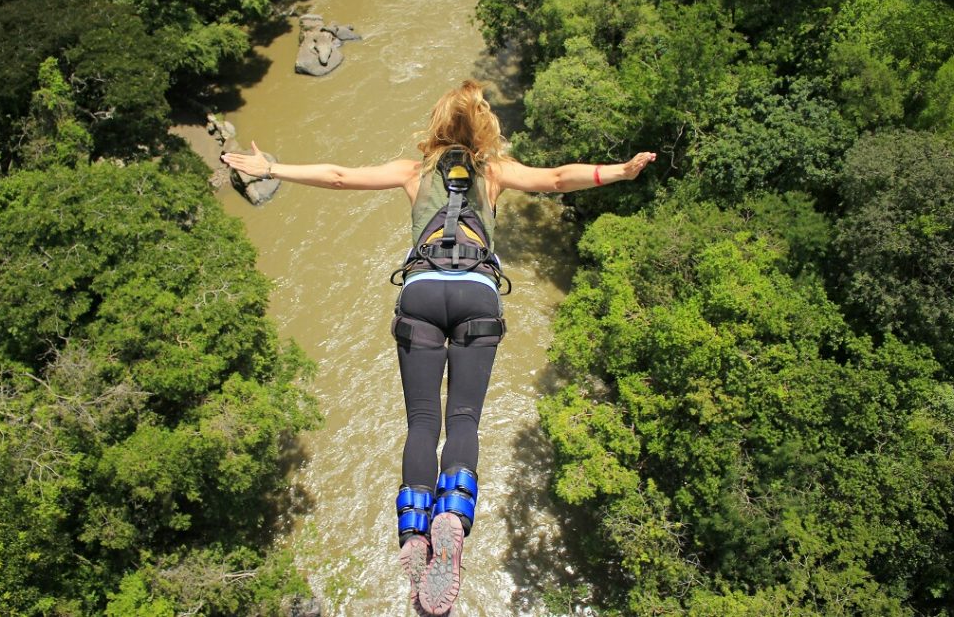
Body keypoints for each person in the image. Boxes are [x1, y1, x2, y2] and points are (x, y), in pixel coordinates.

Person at [221, 80, 654, 615]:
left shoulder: (412, 171)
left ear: (436, 126)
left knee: (422, 421)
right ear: (483, 129)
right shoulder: (495, 171)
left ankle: (413, 534)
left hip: (422, 290)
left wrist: (270, 170)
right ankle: (453, 517)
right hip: (477, 292)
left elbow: (337, 177)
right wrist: (620, 171)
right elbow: (559, 179)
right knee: (464, 418)